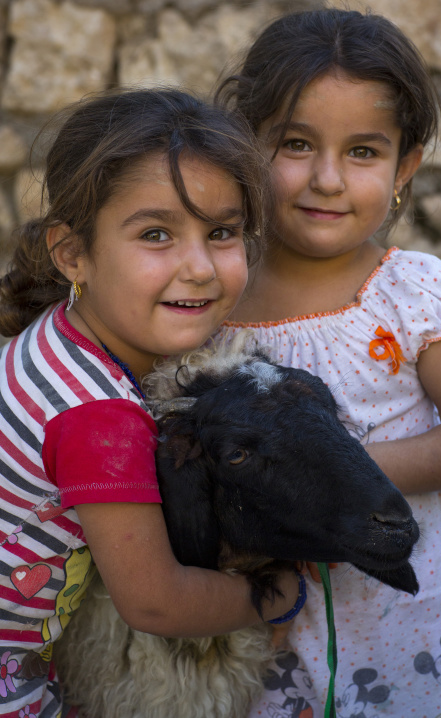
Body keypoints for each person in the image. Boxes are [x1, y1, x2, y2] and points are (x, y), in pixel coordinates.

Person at [216, 8, 441, 717]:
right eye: (295, 144)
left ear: (405, 166)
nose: (326, 178)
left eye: (363, 152)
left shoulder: (413, 295)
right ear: (246, 145)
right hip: (274, 630)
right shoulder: (214, 299)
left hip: (410, 620)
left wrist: (343, 477)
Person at [0, 87, 302, 718]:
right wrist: (272, 596)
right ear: (72, 253)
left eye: (222, 232)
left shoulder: (59, 335)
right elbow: (154, 602)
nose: (199, 267)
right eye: (157, 233)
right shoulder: (97, 415)